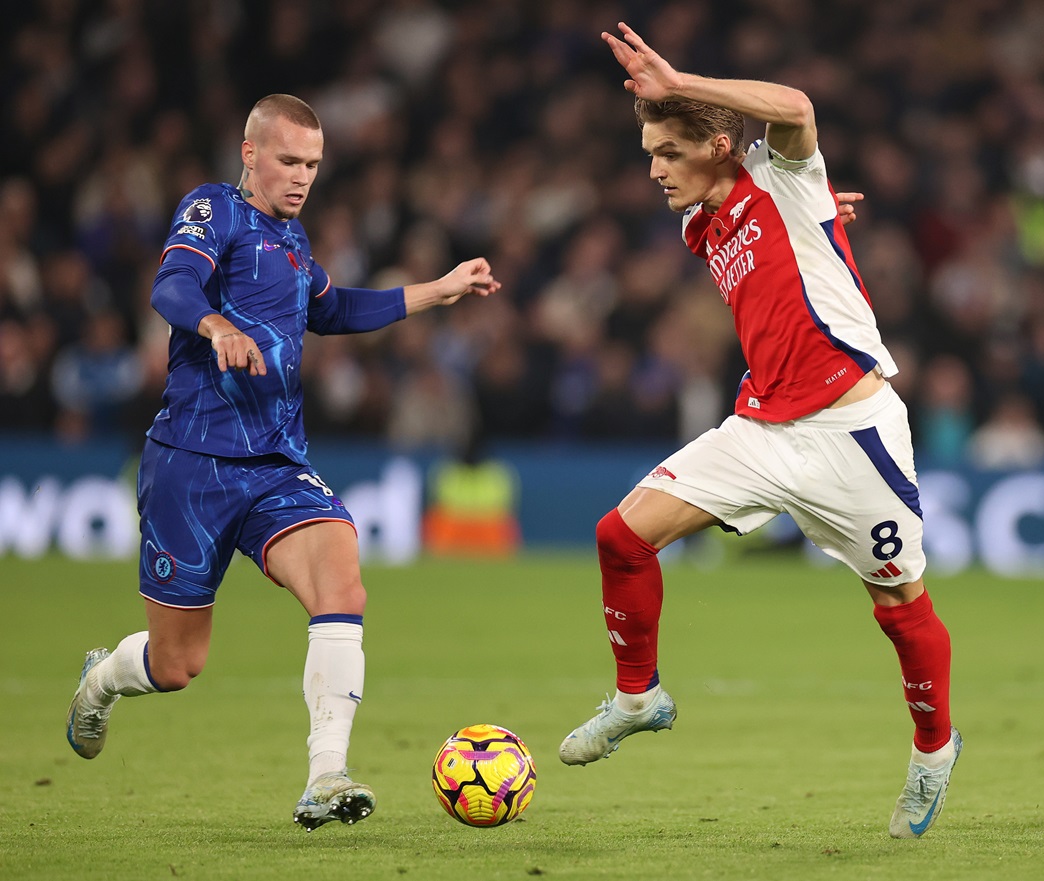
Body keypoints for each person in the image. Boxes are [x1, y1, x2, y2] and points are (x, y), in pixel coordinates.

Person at [559, 24, 961, 840]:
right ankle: (639, 697)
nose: (653, 170)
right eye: (647, 153)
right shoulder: (699, 224)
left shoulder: (785, 172)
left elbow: (796, 107)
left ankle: (933, 749)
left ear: (716, 143)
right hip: (763, 426)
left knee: (898, 605)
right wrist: (823, 220)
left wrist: (683, 79)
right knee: (620, 536)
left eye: (668, 152)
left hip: (853, 430)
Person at [64, 94, 500, 832]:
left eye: (313, 165)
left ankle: (325, 774)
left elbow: (332, 310)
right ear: (250, 153)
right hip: (191, 464)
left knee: (343, 579)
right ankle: (101, 680)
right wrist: (212, 321)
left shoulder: (294, 242)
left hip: (275, 463)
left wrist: (439, 289)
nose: (302, 177)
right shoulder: (213, 211)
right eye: (289, 161)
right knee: (176, 665)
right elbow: (169, 285)